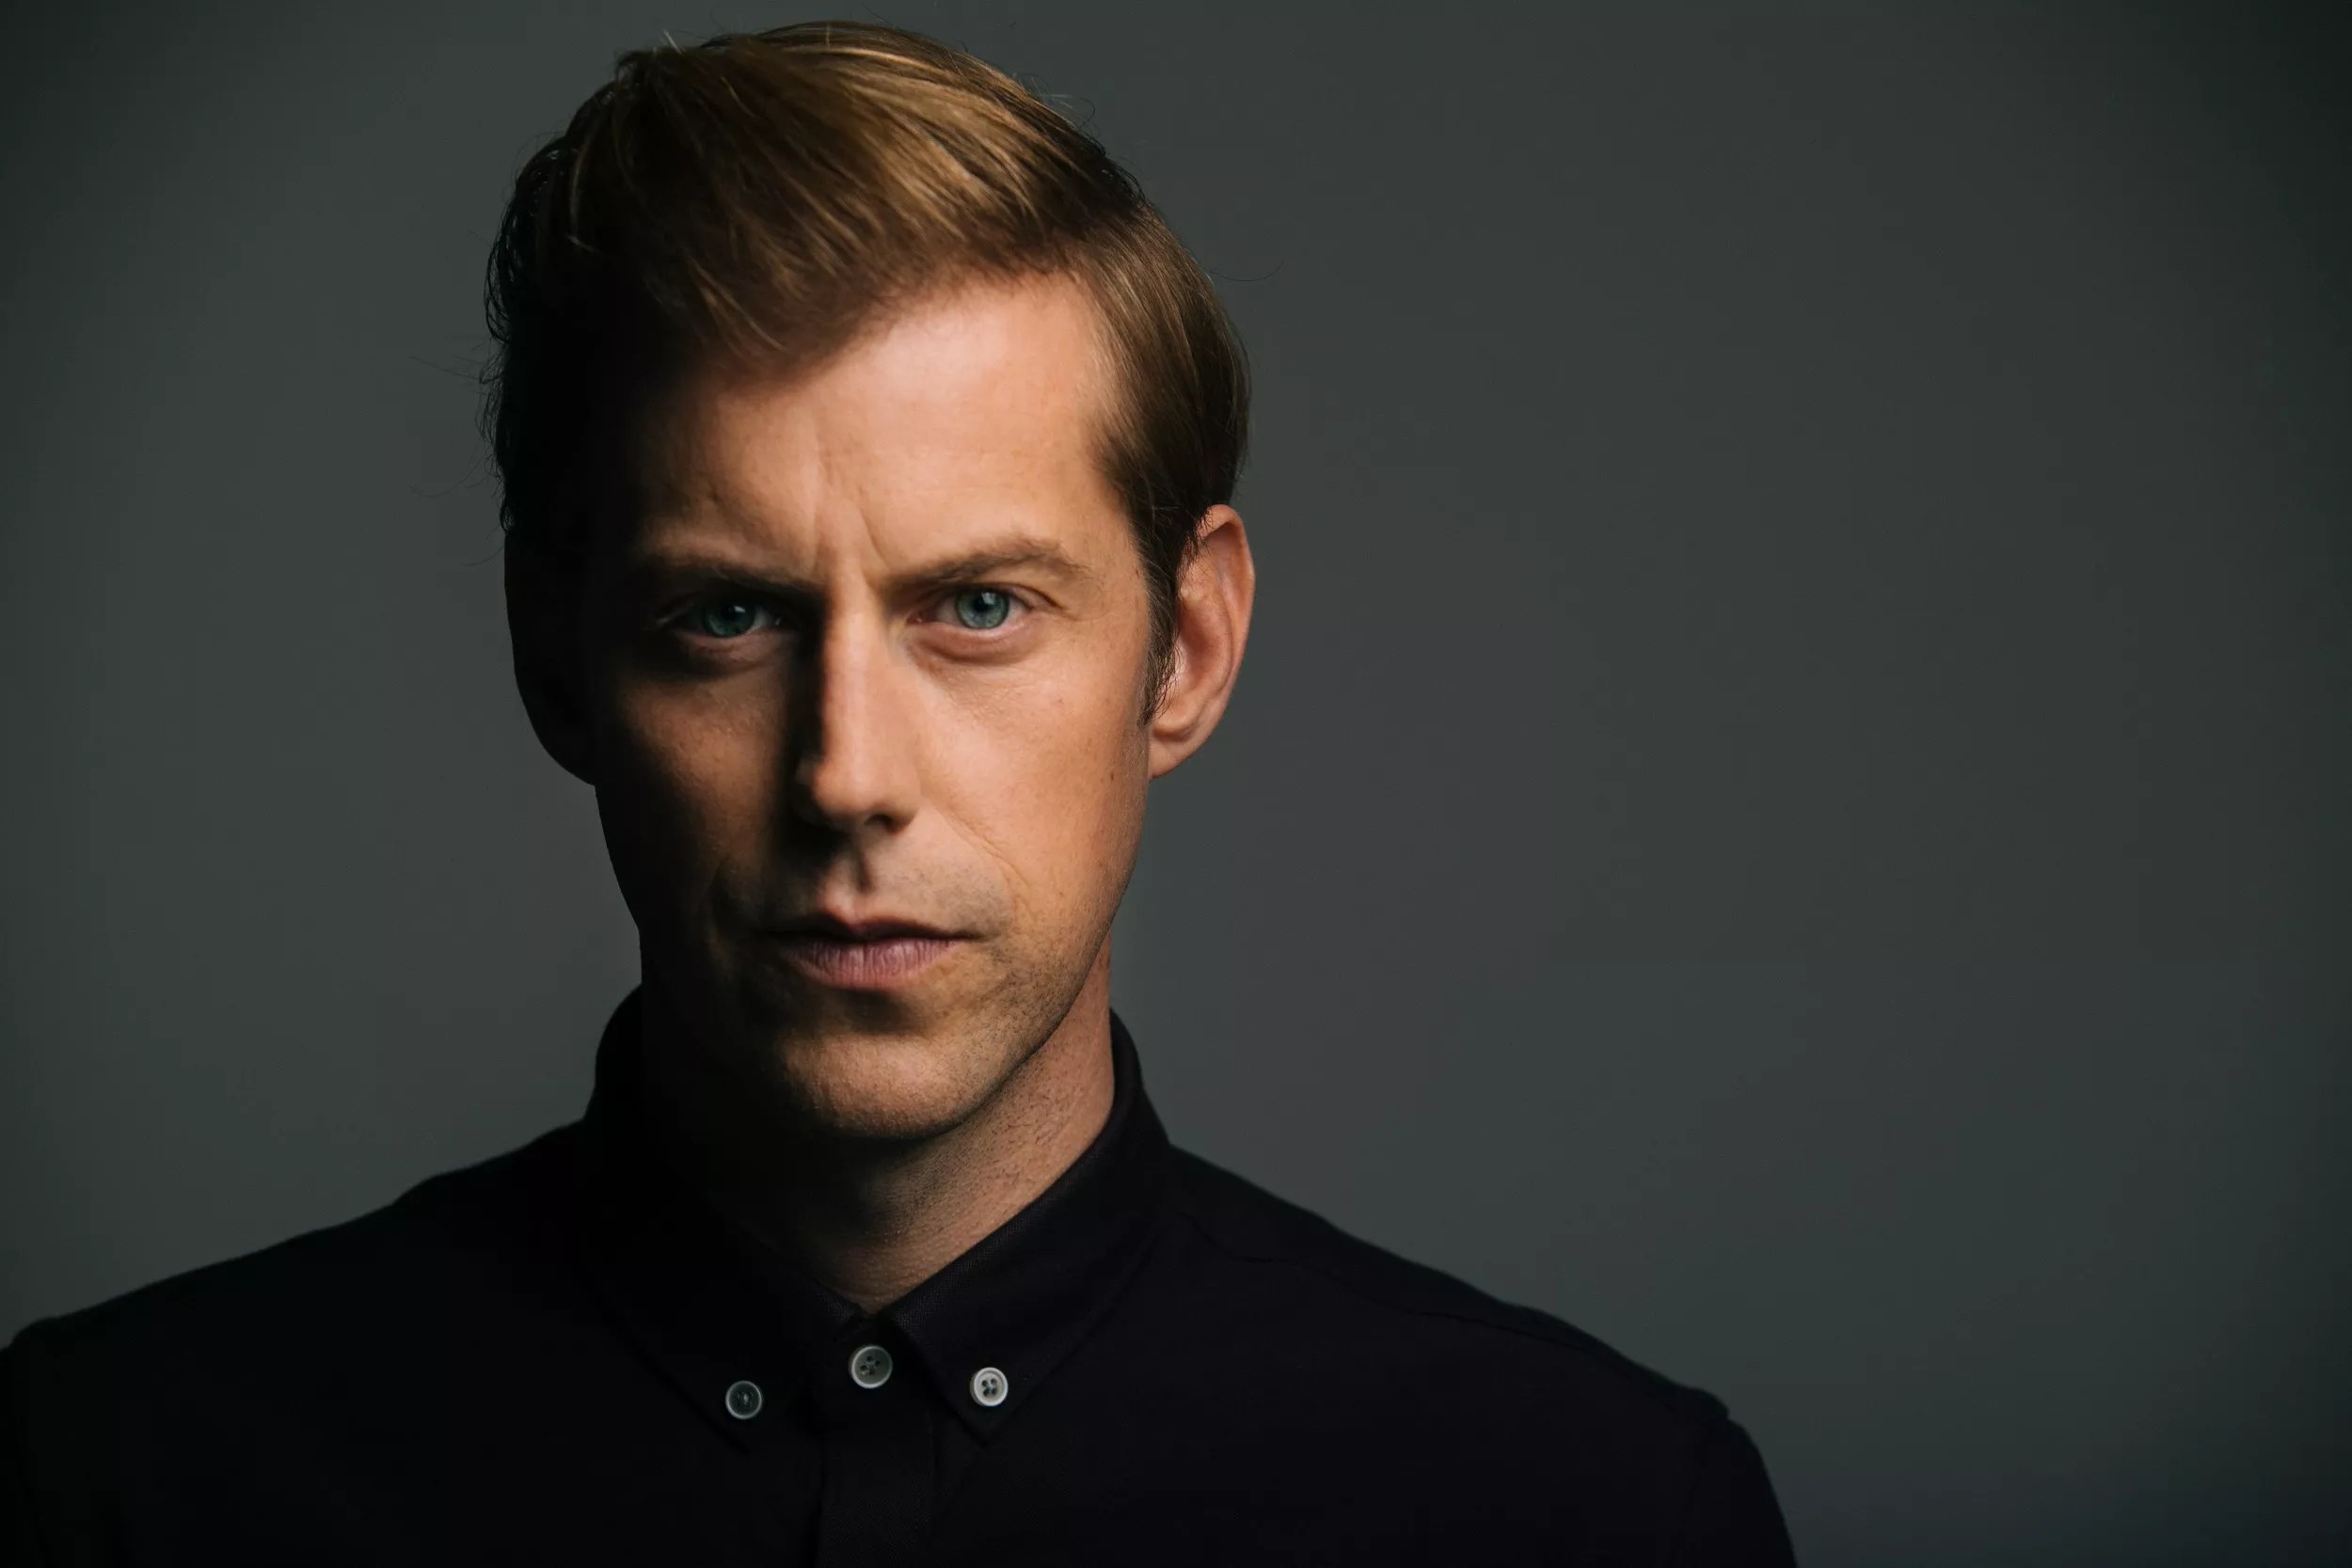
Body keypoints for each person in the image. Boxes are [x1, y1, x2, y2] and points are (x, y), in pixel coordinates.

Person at [1, 21, 1796, 1564]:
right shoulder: (115, 1482)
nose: (847, 779)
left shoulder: (1589, 1513)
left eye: (979, 608)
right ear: (558, 660)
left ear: (1185, 649)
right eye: (727, 616)